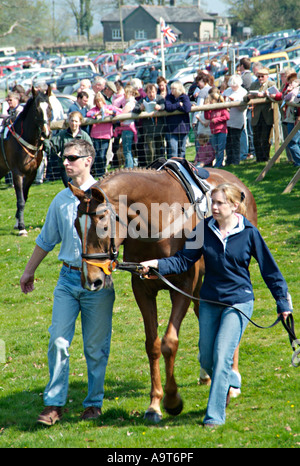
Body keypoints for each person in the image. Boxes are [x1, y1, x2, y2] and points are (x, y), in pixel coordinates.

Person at [140, 183, 292, 427]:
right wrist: (157, 264)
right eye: (213, 202)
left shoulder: (248, 232)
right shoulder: (204, 230)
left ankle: (214, 416)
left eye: (220, 203)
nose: (215, 207)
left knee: (222, 355)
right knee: (208, 359)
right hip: (210, 300)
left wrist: (283, 302)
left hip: (239, 301)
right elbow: (183, 261)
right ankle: (231, 379)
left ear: (234, 206)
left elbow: (270, 270)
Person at [20, 139, 115, 426]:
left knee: (95, 348)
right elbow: (46, 240)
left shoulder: (107, 197)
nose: (65, 162)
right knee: (58, 341)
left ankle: (94, 403)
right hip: (67, 279)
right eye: (64, 158)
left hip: (98, 284)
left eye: (72, 157)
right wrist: (28, 271)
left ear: (88, 160)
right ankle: (54, 404)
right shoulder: (60, 199)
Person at [44, 111, 93, 186]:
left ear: (80, 122)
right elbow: (51, 149)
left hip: (81, 168)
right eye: (72, 121)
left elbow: (91, 152)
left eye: (76, 121)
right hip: (66, 168)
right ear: (68, 121)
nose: (74, 123)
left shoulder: (84, 136)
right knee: (70, 189)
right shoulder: (62, 135)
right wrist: (45, 140)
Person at [86, 92, 121, 177]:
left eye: (100, 101)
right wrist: (96, 115)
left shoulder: (108, 107)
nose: (99, 103)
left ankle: (102, 171)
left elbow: (118, 112)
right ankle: (97, 172)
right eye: (97, 102)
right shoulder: (94, 110)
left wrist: (109, 112)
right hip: (95, 135)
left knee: (102, 154)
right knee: (96, 154)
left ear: (103, 101)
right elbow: (88, 114)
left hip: (106, 135)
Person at [245, 67, 274, 162]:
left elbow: (276, 96)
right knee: (256, 138)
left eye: (262, 76)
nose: (260, 78)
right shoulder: (254, 85)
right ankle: (258, 158)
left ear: (267, 76)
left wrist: (266, 95)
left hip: (267, 115)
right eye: (258, 77)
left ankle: (265, 158)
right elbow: (245, 97)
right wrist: (249, 97)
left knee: (265, 138)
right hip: (256, 115)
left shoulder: (271, 84)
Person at [133, 83, 166, 165]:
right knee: (150, 150)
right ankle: (151, 167)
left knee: (159, 149)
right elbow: (135, 109)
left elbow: (165, 105)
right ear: (146, 93)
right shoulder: (143, 101)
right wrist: (140, 108)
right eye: (149, 92)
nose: (151, 94)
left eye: (153, 92)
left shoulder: (160, 98)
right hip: (148, 130)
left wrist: (160, 107)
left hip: (159, 129)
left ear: (156, 92)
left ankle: (160, 166)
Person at [223, 75, 248, 165]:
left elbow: (243, 108)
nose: (233, 87)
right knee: (228, 142)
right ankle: (229, 160)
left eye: (235, 85)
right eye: (232, 85)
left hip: (238, 120)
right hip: (227, 121)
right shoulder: (227, 91)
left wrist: (235, 102)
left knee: (235, 141)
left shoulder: (243, 92)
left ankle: (236, 161)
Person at [165, 81, 191, 158]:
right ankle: (173, 167)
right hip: (172, 129)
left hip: (183, 128)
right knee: (173, 151)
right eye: (171, 88)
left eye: (173, 88)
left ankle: (182, 167)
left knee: (182, 150)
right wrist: (178, 104)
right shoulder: (169, 97)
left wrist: (176, 107)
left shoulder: (184, 97)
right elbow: (168, 108)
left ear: (178, 89)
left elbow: (187, 108)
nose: (171, 90)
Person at [204, 89, 230, 167]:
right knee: (215, 148)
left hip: (221, 131)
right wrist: (206, 109)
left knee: (220, 148)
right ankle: (218, 162)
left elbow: (227, 116)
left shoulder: (221, 108)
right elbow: (207, 117)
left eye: (210, 100)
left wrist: (216, 120)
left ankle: (219, 163)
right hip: (213, 131)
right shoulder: (211, 110)